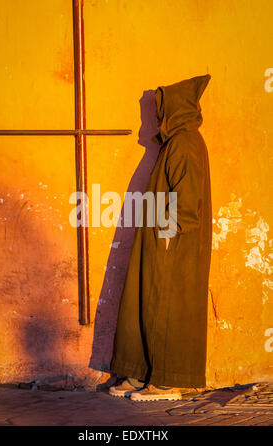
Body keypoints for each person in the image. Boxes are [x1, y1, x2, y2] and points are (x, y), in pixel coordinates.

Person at [109, 75, 212, 402]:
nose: (155, 117)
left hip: (172, 244)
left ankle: (167, 382)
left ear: (175, 109)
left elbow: (187, 199)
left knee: (167, 309)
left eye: (161, 109)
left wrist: (167, 236)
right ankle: (140, 371)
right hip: (158, 240)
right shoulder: (175, 142)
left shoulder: (185, 143)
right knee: (143, 305)